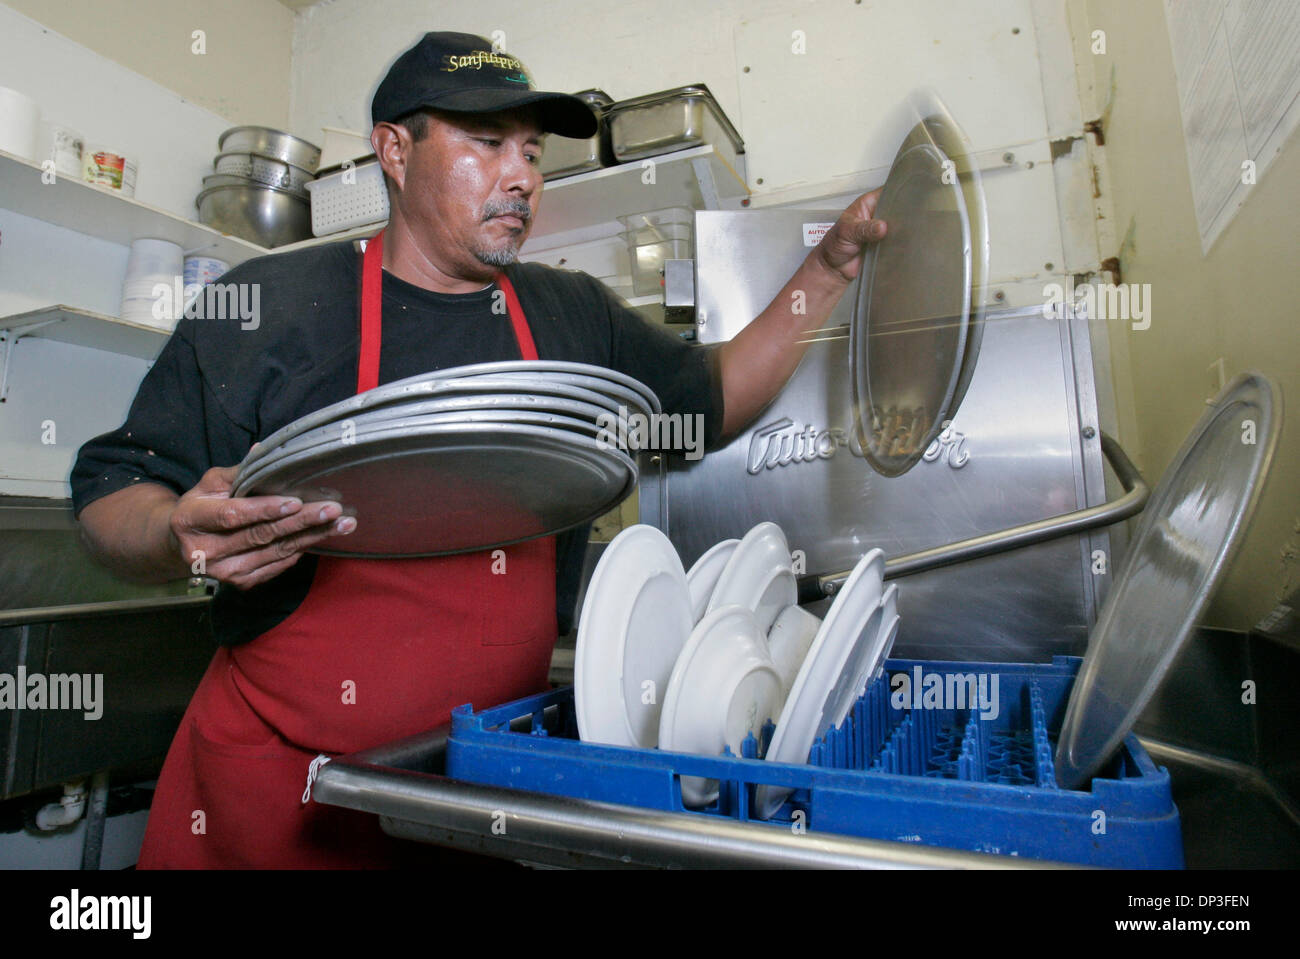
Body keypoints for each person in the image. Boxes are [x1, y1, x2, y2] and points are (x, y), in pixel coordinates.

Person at [71, 31, 885, 868]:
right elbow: (110, 491)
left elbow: (713, 401)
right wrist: (177, 534)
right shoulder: (270, 305)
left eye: (530, 150)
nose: (523, 174)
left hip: (484, 785)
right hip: (279, 790)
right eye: (487, 143)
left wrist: (825, 269)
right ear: (394, 150)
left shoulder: (573, 315)